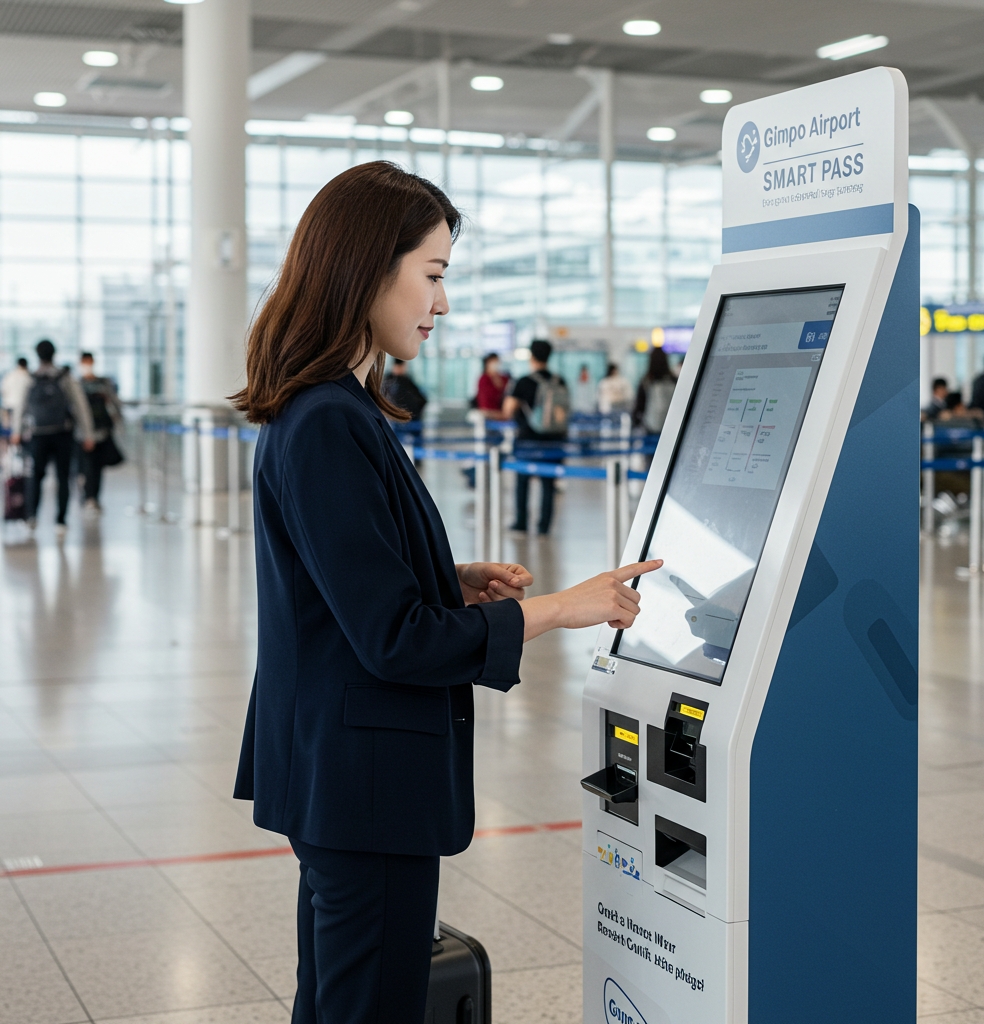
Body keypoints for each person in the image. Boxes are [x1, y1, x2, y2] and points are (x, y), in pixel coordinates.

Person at [228, 161, 661, 1024]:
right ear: (365, 268)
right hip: (365, 787)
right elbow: (394, 639)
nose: (443, 302)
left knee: (337, 1004)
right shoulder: (326, 422)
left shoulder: (337, 410)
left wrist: (448, 580)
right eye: (433, 275)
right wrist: (566, 607)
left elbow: (343, 579)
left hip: (342, 779)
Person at [10, 339, 94, 535]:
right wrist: (88, 433)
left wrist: (16, 432)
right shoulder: (65, 377)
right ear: (54, 354)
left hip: (38, 434)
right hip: (63, 434)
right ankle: (61, 521)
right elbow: (80, 407)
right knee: (63, 477)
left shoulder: (30, 378)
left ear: (37, 355)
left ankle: (31, 516)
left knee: (35, 477)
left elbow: (21, 407)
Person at [502, 339, 571, 535]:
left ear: (531, 356)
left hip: (528, 439)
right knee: (548, 483)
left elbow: (508, 410)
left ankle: (521, 522)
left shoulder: (524, 381)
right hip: (555, 440)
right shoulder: (560, 381)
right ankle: (544, 526)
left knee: (522, 480)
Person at [77, 352, 122, 512]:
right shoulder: (77, 384)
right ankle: (87, 496)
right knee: (85, 467)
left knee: (97, 467)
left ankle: (93, 498)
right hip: (81, 434)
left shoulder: (103, 383)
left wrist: (118, 421)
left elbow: (115, 403)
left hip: (102, 432)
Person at [633, 347, 677, 435]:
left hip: (650, 426)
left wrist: (636, 422)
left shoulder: (646, 381)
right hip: (671, 427)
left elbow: (639, 406)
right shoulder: (674, 380)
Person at [474, 352, 509, 418]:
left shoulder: (504, 378)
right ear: (487, 363)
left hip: (502, 411)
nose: (496, 364)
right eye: (493, 361)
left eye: (497, 361)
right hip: (487, 410)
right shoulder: (484, 379)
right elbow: (486, 397)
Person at [1, 357, 31, 433]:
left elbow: (4, 391)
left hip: (10, 407)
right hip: (25, 408)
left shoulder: (9, 376)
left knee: (11, 433)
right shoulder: (29, 377)